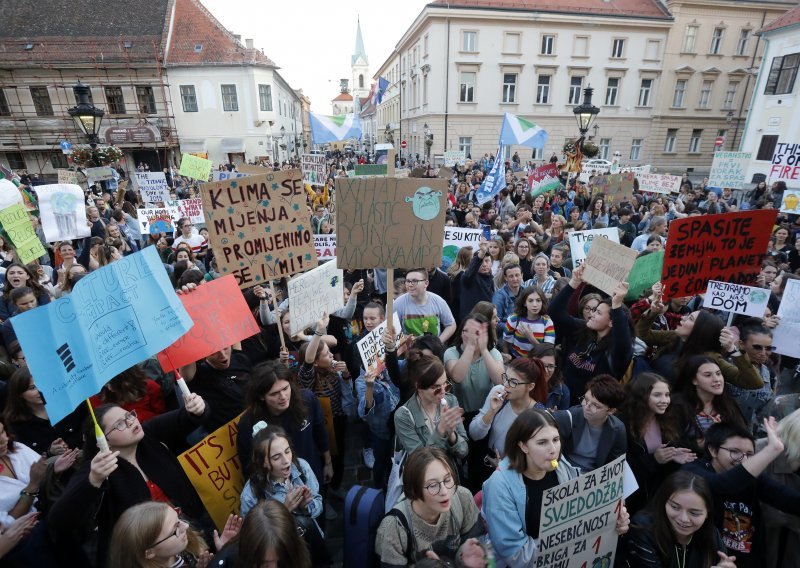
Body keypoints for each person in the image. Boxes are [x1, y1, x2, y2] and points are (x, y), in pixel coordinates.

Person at [48, 395, 212, 567]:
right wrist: (93, 481)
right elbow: (59, 519)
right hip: (148, 556)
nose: (131, 422)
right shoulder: (98, 468)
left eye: (129, 415)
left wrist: (198, 408)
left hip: (190, 530)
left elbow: (187, 417)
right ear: (103, 442)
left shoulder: (147, 434)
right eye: (119, 424)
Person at [482, 409, 630, 567]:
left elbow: (585, 507)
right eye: (542, 442)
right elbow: (517, 555)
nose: (553, 449)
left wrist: (612, 516)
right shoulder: (499, 486)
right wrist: (572, 538)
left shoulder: (561, 467)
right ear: (523, 446)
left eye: (556, 439)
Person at [682, 419, 800, 568]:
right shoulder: (692, 471)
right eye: (735, 452)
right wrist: (772, 450)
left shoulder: (753, 479)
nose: (743, 459)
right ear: (713, 450)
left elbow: (790, 500)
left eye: (749, 454)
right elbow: (722, 485)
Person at [376, 447, 487, 566]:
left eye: (447, 479)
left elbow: (480, 542)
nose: (445, 491)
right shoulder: (393, 529)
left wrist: (466, 557)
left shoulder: (463, 498)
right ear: (414, 490)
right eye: (433, 485)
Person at [239, 424, 328, 566]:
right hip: (283, 557)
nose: (286, 460)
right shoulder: (251, 494)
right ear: (263, 462)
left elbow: (318, 505)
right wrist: (284, 510)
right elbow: (254, 538)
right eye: (276, 457)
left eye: (287, 451)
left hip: (311, 543)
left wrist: (306, 507)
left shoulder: (302, 468)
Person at [0, 416, 78, 565]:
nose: (4, 439)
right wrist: (32, 487)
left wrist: (52, 468)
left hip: (55, 525)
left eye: (3, 431)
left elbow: (41, 471)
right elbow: (6, 525)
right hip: (25, 548)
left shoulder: (17, 448)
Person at [236, 361, 330, 485]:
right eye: (274, 394)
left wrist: (328, 463)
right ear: (261, 396)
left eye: (285, 388)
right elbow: (249, 466)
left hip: (313, 474)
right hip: (278, 489)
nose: (283, 396)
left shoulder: (307, 400)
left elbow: (320, 433)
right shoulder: (248, 424)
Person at [549, 265, 632, 404]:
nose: (592, 315)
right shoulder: (584, 329)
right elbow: (555, 313)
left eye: (598, 313)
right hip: (561, 400)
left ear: (612, 322)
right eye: (594, 310)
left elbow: (623, 343)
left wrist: (617, 304)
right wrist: (574, 283)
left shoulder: (616, 351)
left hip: (589, 409)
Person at [619, 471, 736, 568]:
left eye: (694, 513)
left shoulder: (711, 535)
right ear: (664, 502)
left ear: (707, 513)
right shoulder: (643, 528)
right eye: (675, 507)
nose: (684, 519)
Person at [635, 300, 763, 388]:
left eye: (690, 318)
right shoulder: (674, 336)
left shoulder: (709, 358)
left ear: (700, 330)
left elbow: (753, 383)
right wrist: (652, 313)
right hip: (645, 394)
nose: (683, 318)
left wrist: (733, 350)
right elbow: (642, 334)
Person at [619, 373, 696, 514]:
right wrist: (654, 459)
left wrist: (673, 457)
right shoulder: (622, 423)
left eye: (667, 395)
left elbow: (665, 464)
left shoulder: (667, 420)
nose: (665, 400)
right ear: (641, 396)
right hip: (630, 499)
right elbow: (623, 468)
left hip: (655, 497)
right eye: (657, 395)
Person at [298, 312, 354, 496]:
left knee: (340, 454)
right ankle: (325, 492)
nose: (331, 355)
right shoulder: (308, 377)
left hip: (338, 419)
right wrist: (319, 333)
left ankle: (336, 486)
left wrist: (346, 375)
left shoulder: (333, 368)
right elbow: (307, 362)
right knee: (324, 457)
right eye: (325, 354)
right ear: (315, 362)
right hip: (320, 425)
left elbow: (347, 393)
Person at [469, 358, 548, 469]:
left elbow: (535, 459)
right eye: (506, 377)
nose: (506, 384)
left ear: (530, 386)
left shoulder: (538, 415)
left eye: (513, 382)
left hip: (510, 472)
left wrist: (503, 468)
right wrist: (491, 412)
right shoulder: (498, 392)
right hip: (483, 460)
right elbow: (474, 434)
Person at [107, 501, 236, 568]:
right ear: (150, 552)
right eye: (175, 530)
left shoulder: (185, 552)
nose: (185, 526)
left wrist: (223, 553)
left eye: (178, 519)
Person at [394, 350, 468, 464]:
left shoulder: (451, 400)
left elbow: (463, 452)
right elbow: (422, 463)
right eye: (437, 388)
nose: (443, 392)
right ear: (419, 387)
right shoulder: (403, 416)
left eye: (446, 384)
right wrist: (440, 430)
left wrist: (452, 434)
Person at [669, 356, 746, 453]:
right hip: (690, 464)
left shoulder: (728, 403)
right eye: (708, 375)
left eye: (718, 374)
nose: (716, 379)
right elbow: (670, 442)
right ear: (694, 380)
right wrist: (704, 441)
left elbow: (743, 435)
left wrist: (722, 431)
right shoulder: (678, 405)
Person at [553, 374, 627, 473]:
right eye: (586, 399)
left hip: (593, 476)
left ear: (611, 411)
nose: (586, 406)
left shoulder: (617, 429)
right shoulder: (569, 417)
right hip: (564, 469)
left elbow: (615, 464)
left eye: (596, 405)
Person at [3, 368, 83, 454]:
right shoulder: (15, 424)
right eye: (32, 388)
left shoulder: (70, 406)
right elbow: (22, 455)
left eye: (42, 384)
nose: (40, 391)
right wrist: (49, 452)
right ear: (19, 394)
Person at [214, 500, 312, 568]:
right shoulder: (230, 558)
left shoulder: (306, 530)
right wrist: (226, 554)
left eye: (281, 562)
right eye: (264, 565)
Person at [394, 269, 457, 343]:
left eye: (415, 281)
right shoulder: (398, 303)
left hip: (433, 350)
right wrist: (404, 339)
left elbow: (451, 325)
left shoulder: (438, 301)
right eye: (408, 281)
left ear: (426, 283)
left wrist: (438, 342)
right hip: (409, 351)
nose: (410, 284)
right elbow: (391, 330)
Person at [502, 286, 555, 358]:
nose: (535, 305)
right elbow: (505, 344)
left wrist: (531, 338)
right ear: (524, 303)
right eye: (530, 301)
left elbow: (548, 352)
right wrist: (508, 360)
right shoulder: (514, 319)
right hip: (518, 362)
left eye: (538, 300)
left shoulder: (547, 322)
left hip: (538, 363)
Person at [458, 240, 496, 321]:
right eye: (481, 262)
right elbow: (469, 274)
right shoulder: (469, 278)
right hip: (471, 322)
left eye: (487, 261)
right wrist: (482, 252)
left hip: (486, 320)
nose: (484, 264)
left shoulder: (490, 278)